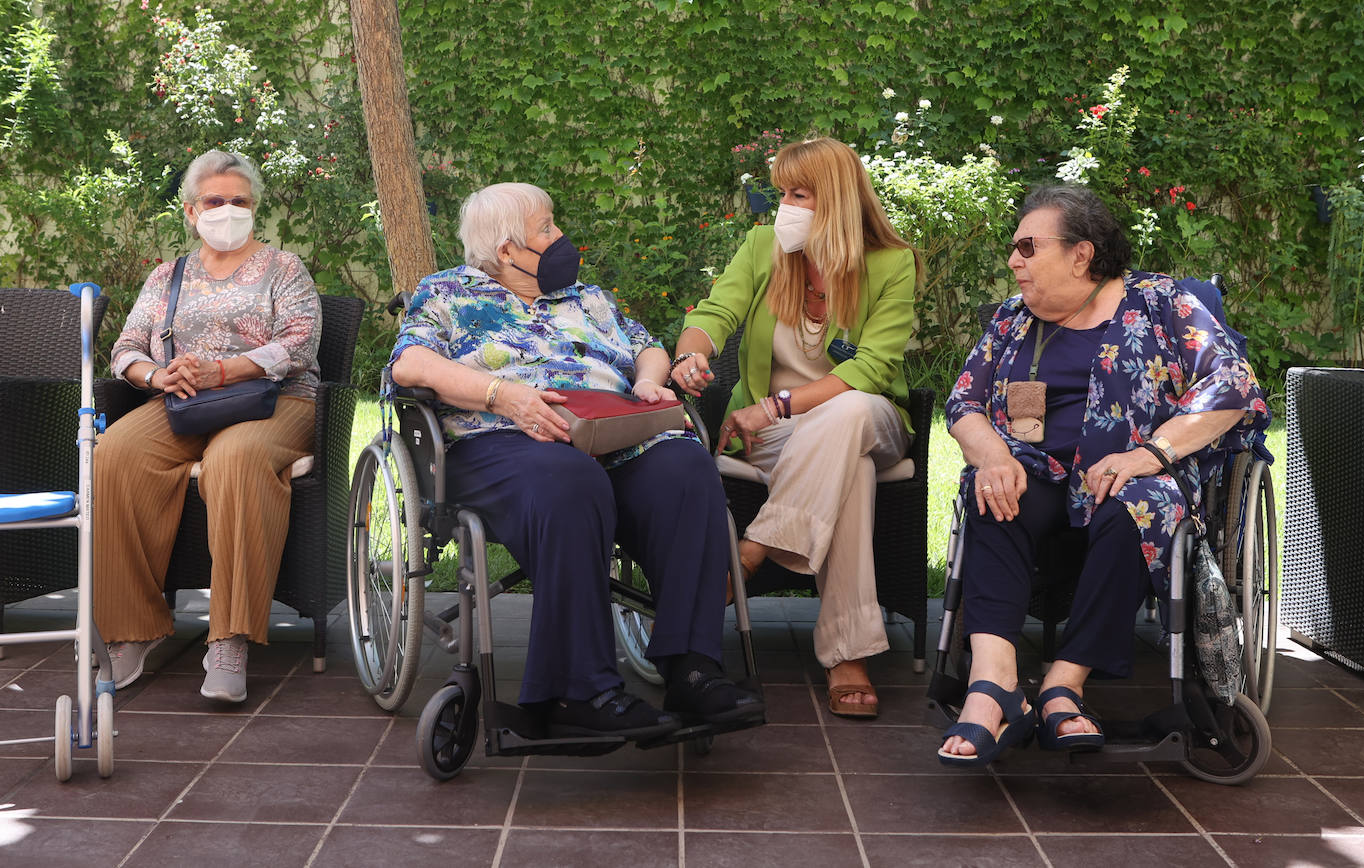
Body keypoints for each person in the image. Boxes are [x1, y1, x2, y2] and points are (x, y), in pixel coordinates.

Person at [388, 182, 764, 742]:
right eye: (547, 228)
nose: (560, 236)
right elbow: (410, 363)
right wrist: (503, 396)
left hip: (611, 432)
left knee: (686, 469)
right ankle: (577, 690)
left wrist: (647, 382)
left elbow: (647, 344)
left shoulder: (588, 299)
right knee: (570, 480)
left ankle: (691, 666)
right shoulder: (448, 292)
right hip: (503, 439)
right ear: (508, 249)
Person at [937, 183, 1269, 766]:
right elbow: (965, 403)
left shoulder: (1163, 304)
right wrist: (993, 456)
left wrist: (1151, 455)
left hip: (1134, 475)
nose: (1013, 260)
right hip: (1037, 470)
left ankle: (1064, 685)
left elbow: (1232, 386)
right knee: (990, 491)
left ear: (1081, 254)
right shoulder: (1013, 321)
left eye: (1027, 246)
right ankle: (994, 688)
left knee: (1139, 503)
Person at [672, 136, 919, 719]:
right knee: (849, 470)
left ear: (833, 199)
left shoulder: (891, 262)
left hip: (869, 417)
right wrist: (691, 354)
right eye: (781, 192)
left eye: (798, 193)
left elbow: (873, 368)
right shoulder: (766, 246)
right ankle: (847, 655)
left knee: (850, 413)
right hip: (786, 439)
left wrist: (778, 406)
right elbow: (713, 314)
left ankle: (753, 549)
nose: (783, 205)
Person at [95, 149, 322, 703]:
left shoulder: (284, 268)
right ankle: (132, 628)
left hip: (276, 399)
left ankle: (230, 637)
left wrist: (224, 368)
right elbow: (124, 349)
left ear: (254, 208)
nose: (227, 210)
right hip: (187, 401)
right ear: (192, 212)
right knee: (113, 453)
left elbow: (300, 343)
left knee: (234, 460)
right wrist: (157, 375)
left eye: (238, 201)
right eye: (214, 201)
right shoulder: (167, 275)